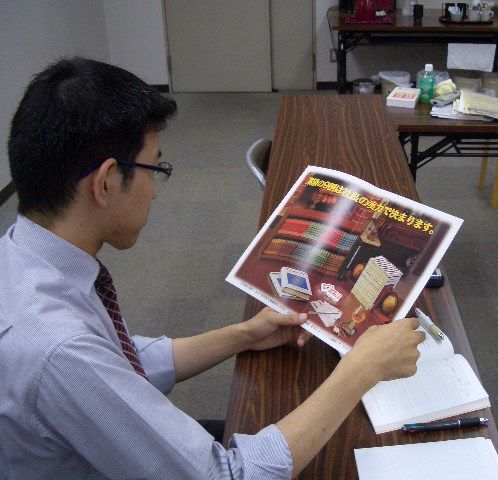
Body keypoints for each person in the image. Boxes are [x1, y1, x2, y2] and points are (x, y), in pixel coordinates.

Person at [0, 57, 425, 480]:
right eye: (155, 168)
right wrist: (361, 370)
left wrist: (243, 335)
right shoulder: (61, 350)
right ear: (107, 181)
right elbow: (227, 476)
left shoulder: (24, 257)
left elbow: (119, 361)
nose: (154, 191)